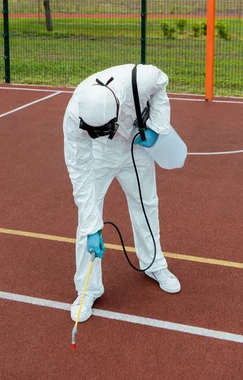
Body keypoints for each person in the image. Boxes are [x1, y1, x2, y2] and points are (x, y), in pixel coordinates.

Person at [63, 63, 182, 323]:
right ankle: (87, 290)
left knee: (147, 203)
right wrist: (93, 227)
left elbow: (162, 86)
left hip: (135, 145)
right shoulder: (74, 117)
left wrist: (157, 128)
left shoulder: (142, 78)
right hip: (97, 156)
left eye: (105, 128)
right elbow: (79, 176)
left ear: (117, 106)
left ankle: (154, 265)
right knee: (87, 219)